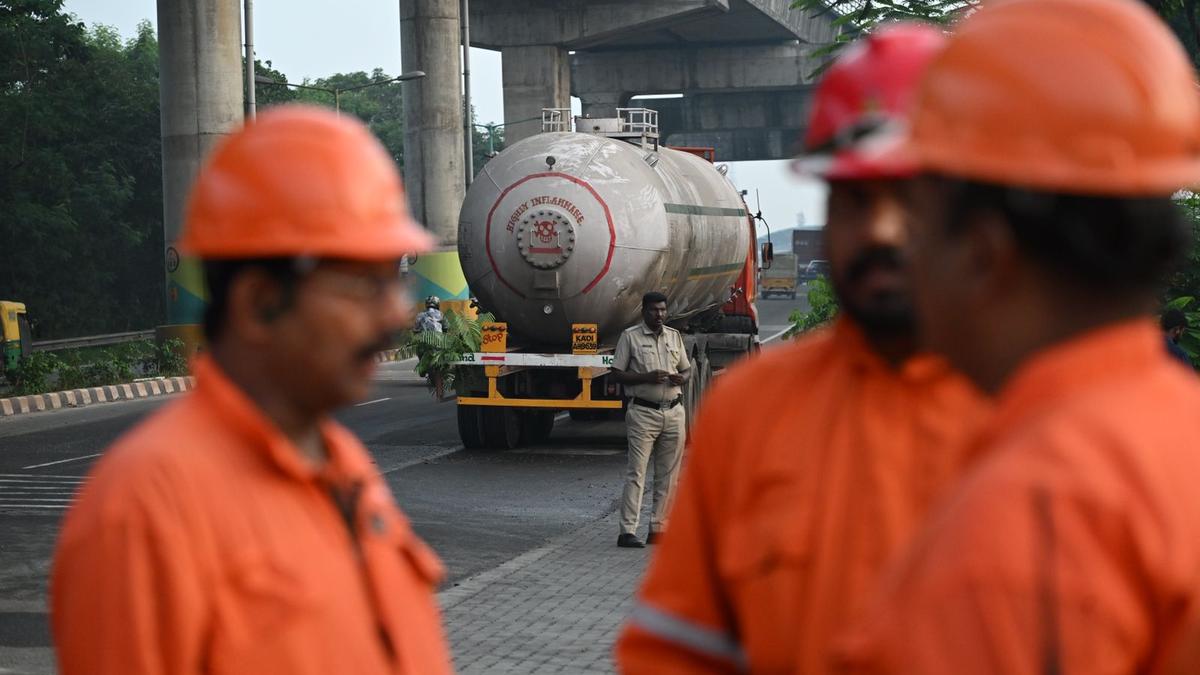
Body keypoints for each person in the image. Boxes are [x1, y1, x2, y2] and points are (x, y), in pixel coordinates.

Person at [836, 1, 1200, 672]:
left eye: (918, 223)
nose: (901, 254)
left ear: (982, 251)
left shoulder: (1016, 533)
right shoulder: (1180, 429)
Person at [616, 25, 989, 673]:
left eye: (912, 197)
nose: (881, 230)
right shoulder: (750, 416)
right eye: (855, 198)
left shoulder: (1084, 421)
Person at [51, 106, 452, 675]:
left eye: (397, 279)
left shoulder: (343, 465)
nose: (395, 313)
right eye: (365, 285)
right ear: (259, 302)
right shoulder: (145, 512)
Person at [608, 291, 691, 548]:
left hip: (674, 411)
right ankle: (627, 531)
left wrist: (683, 378)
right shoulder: (630, 337)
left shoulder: (674, 336)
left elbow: (686, 369)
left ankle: (658, 528)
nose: (660, 315)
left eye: (663, 310)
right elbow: (616, 374)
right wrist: (646, 377)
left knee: (668, 475)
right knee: (637, 473)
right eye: (655, 310)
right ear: (644, 311)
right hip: (643, 413)